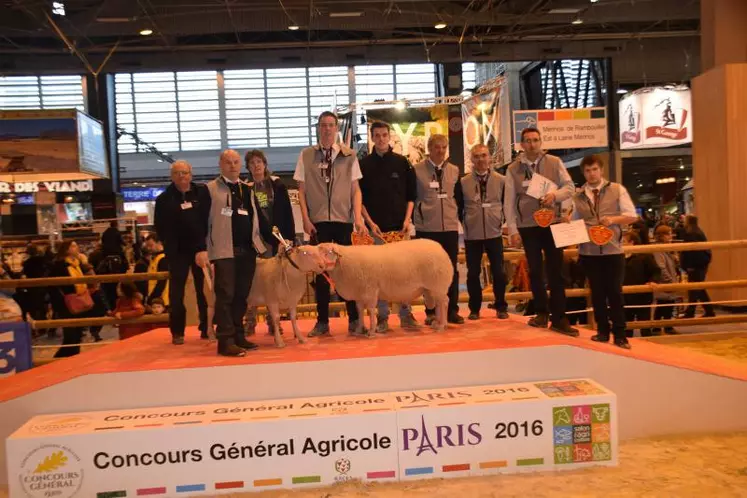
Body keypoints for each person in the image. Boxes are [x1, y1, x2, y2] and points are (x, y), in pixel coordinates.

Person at [294, 111, 367, 337]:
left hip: (343, 221)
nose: (327, 129)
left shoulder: (349, 155)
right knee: (321, 274)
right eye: (323, 125)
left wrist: (357, 217)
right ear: (318, 128)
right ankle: (322, 321)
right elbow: (301, 191)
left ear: (337, 129)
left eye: (331, 125)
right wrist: (306, 219)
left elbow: (355, 190)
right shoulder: (306, 155)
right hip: (318, 224)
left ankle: (354, 319)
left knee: (346, 272)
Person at [195, 149, 273, 356]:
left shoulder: (247, 190)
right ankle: (225, 340)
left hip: (247, 251)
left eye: (236, 162)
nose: (232, 165)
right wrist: (200, 249)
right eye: (228, 162)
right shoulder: (209, 189)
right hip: (223, 251)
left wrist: (278, 239)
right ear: (221, 165)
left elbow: (261, 221)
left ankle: (238, 335)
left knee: (241, 296)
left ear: (240, 165)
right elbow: (200, 221)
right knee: (225, 296)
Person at [505, 127, 577, 336]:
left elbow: (570, 187)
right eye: (527, 141)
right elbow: (509, 201)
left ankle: (559, 318)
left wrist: (555, 195)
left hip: (552, 223)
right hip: (528, 226)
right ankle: (540, 313)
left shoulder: (554, 162)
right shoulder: (513, 169)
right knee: (535, 271)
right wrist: (512, 229)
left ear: (541, 142)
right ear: (522, 144)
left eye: (536, 140)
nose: (532, 144)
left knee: (557, 272)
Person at [571, 155, 638, 349]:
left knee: (615, 293)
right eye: (587, 170)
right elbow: (575, 221)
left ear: (601, 171)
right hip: (588, 252)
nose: (591, 174)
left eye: (594, 169)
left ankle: (620, 334)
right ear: (583, 173)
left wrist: (613, 220)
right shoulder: (578, 196)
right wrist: (567, 227)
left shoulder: (617, 189)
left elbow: (632, 216)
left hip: (613, 251)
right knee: (597, 294)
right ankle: (602, 332)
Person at [359, 121, 420, 332]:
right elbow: (359, 200)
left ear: (390, 137)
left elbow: (411, 196)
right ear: (372, 138)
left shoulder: (402, 162)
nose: (381, 139)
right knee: (380, 275)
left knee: (404, 273)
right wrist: (370, 223)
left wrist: (407, 220)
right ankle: (382, 317)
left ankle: (406, 314)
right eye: (377, 135)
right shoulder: (363, 165)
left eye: (384, 135)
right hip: (376, 231)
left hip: (400, 229)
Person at [154, 160, 211, 344]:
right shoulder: (163, 199)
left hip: (200, 250)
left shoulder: (202, 193)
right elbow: (159, 227)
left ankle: (206, 327)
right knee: (176, 294)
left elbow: (208, 220)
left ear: (191, 174)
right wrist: (169, 246)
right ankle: (177, 331)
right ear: (172, 176)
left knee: (204, 291)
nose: (182, 176)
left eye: (185, 172)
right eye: (178, 173)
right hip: (177, 253)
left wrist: (204, 246)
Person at [412, 134, 464, 325]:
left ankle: (452, 311)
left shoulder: (455, 170)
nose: (440, 151)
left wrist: (457, 219)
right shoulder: (417, 170)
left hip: (449, 228)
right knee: (427, 272)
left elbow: (459, 199)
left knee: (450, 270)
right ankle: (431, 311)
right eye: (436, 147)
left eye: (443, 147)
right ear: (429, 148)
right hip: (426, 229)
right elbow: (411, 198)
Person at [244, 149, 295, 335]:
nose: (256, 165)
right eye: (252, 163)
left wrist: (287, 238)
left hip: (276, 240)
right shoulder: (246, 188)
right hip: (256, 241)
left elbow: (286, 212)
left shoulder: (277, 184)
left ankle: (273, 321)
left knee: (273, 283)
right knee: (253, 282)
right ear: (248, 167)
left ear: (265, 164)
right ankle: (249, 321)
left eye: (259, 161)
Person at [457, 144, 508, 321]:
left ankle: (501, 306)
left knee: (499, 272)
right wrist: (467, 223)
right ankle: (474, 309)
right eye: (477, 156)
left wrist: (501, 221)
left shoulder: (501, 180)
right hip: (472, 235)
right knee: (472, 274)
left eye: (484, 155)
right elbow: (459, 207)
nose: (480, 159)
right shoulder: (463, 182)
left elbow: (506, 204)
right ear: (472, 159)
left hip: (494, 233)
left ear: (489, 158)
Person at [49, 241, 91, 357]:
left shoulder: (77, 264)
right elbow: (52, 286)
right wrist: (60, 302)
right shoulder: (59, 265)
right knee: (71, 335)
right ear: (66, 249)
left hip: (79, 302)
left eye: (76, 245)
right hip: (66, 304)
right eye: (73, 246)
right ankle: (59, 359)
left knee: (78, 334)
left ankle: (73, 358)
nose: (76, 247)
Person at [623, 232, 661, 337]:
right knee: (626, 330)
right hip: (624, 299)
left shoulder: (645, 256)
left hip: (642, 297)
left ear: (632, 242)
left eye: (623, 242)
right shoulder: (618, 257)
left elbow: (656, 271)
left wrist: (653, 281)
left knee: (645, 329)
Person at [681, 215, 715, 318]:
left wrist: (689, 265)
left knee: (695, 288)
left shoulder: (691, 233)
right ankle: (700, 311)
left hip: (695, 266)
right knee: (697, 288)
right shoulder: (698, 231)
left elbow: (692, 252)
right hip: (701, 265)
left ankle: (693, 311)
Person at [652, 225, 679, 335]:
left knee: (668, 304)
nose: (670, 236)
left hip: (669, 280)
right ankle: (658, 327)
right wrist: (670, 281)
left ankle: (664, 326)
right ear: (661, 236)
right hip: (665, 282)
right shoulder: (658, 249)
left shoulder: (667, 248)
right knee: (663, 305)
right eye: (668, 234)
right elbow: (661, 267)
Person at [144, 234, 169, 308]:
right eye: (147, 246)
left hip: (162, 301)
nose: (148, 248)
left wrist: (151, 298)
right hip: (157, 300)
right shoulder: (154, 258)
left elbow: (161, 283)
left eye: (151, 245)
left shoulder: (163, 259)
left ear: (159, 243)